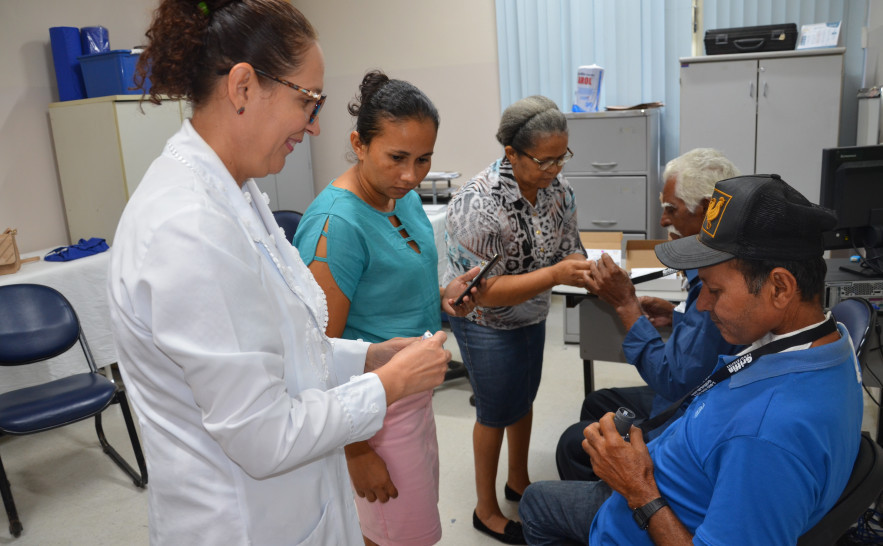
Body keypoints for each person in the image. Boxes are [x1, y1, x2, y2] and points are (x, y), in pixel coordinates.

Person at [107, 2, 451, 544]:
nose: (315, 127)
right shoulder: (188, 227)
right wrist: (387, 385)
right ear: (243, 86)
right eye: (307, 101)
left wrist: (368, 356)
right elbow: (263, 436)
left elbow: (282, 346)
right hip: (241, 519)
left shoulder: (238, 195)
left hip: (293, 503)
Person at [519, 174, 863, 545]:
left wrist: (639, 490)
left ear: (780, 288)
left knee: (536, 504)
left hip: (647, 510)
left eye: (715, 290)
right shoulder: (826, 345)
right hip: (678, 486)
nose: (702, 304)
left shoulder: (767, 435)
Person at [294, 70, 480, 546]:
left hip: (411, 392)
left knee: (405, 526)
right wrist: (356, 450)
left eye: (423, 160)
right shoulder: (336, 226)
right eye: (397, 158)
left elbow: (390, 286)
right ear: (358, 143)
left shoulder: (404, 198)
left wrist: (442, 298)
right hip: (369, 408)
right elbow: (317, 354)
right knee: (396, 533)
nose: (411, 175)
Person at [445, 95, 593, 544]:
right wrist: (554, 274)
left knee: (523, 398)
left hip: (531, 313)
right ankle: (485, 509)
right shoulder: (477, 201)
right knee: (494, 411)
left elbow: (570, 243)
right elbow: (482, 290)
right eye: (543, 160)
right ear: (511, 152)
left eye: (561, 157)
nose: (554, 169)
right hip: (485, 322)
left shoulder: (558, 191)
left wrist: (583, 267)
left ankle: (518, 480)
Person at [556, 148, 742, 481]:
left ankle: (620, 513)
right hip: (705, 395)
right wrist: (676, 317)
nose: (663, 221)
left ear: (710, 211)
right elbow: (713, 341)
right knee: (599, 403)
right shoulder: (726, 261)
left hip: (692, 416)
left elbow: (672, 380)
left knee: (573, 442)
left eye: (672, 209)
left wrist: (626, 305)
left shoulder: (716, 283)